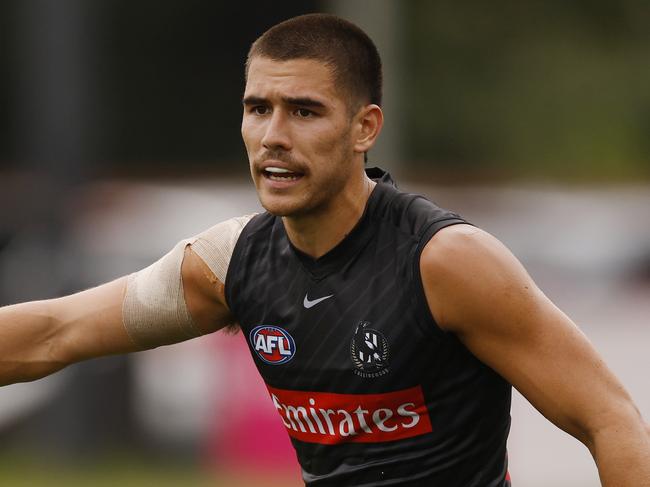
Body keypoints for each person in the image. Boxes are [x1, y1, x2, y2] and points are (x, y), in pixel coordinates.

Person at [1, 13, 649, 486]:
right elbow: (54, 332)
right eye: (259, 108)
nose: (273, 136)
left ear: (365, 127)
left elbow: (611, 419)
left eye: (304, 111)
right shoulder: (231, 264)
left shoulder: (446, 263)